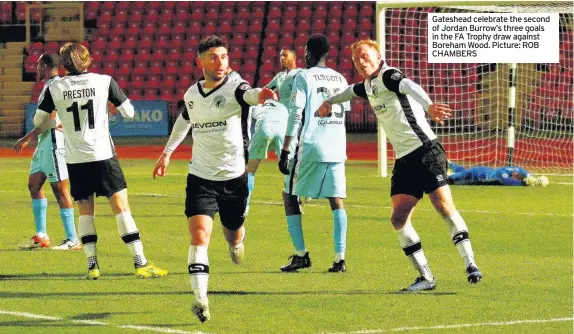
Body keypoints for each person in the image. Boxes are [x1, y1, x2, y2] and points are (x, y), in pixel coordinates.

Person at [316, 39, 482, 291]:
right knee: (398, 219)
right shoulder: (368, 86)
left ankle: (470, 264)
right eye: (356, 59)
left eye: (365, 56)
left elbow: (409, 85)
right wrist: (330, 101)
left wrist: (429, 107)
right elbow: (349, 91)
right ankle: (426, 277)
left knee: (444, 207)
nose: (361, 62)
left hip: (426, 151)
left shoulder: (388, 75)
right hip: (404, 160)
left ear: (377, 55)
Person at [152, 35, 277, 323]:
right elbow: (184, 120)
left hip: (234, 178)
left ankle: (236, 243)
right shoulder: (192, 94)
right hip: (200, 177)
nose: (220, 62)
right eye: (213, 57)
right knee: (199, 237)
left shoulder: (235, 86)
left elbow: (250, 93)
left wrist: (262, 95)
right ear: (200, 61)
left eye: (223, 56)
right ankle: (201, 299)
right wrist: (166, 154)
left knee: (232, 233)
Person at [33, 43, 168, 280]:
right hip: (103, 155)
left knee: (86, 211)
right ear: (87, 60)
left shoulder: (57, 88)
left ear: (64, 65)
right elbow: (129, 113)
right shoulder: (104, 81)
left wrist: (58, 121)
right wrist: (108, 108)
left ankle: (92, 266)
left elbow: (38, 120)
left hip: (75, 159)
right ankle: (140, 262)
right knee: (121, 208)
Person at [278, 34, 351, 273]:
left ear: (309, 53)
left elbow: (296, 115)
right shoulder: (340, 78)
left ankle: (301, 255)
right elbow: (343, 113)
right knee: (336, 200)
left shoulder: (303, 77)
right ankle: (340, 258)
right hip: (337, 147)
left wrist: (286, 148)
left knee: (289, 194)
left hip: (310, 146)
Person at [14, 53, 80, 251]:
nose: (36, 69)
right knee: (34, 185)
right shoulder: (50, 85)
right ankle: (41, 235)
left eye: (38, 65)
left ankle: (73, 239)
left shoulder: (56, 87)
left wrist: (27, 137)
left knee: (60, 190)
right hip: (44, 144)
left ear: (45, 65)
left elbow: (52, 120)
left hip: (54, 143)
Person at [245, 49, 301, 216]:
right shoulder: (279, 77)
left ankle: (295, 199)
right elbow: (265, 90)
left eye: (285, 55)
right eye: (280, 55)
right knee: (290, 164)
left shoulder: (301, 75)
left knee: (288, 165)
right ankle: (295, 201)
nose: (281, 58)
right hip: (283, 123)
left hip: (293, 121)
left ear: (294, 58)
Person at [447, 161, 549, 186]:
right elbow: (508, 182)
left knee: (463, 172)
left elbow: (524, 173)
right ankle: (445, 171)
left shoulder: (517, 170)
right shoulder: (502, 174)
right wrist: (525, 183)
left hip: (482, 171)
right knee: (450, 180)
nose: (514, 176)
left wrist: (531, 179)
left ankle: (450, 163)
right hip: (476, 176)